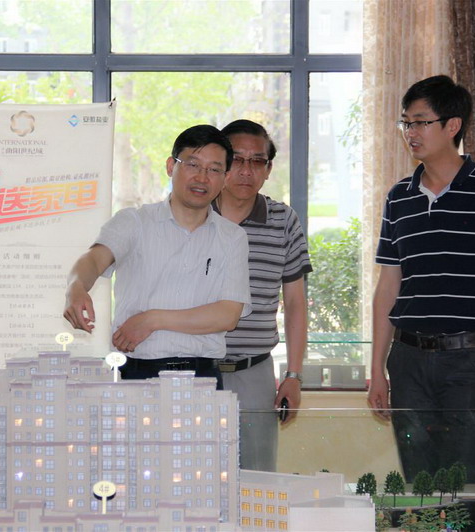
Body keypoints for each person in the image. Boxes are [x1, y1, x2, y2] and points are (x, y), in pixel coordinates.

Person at [367, 75, 475, 483]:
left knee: (462, 486)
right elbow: (388, 287)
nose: (410, 132)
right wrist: (377, 369)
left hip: (471, 362)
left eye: (421, 122)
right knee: (418, 486)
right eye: (406, 123)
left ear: (452, 125)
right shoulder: (399, 197)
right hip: (408, 361)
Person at [63, 125, 252, 388]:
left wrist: (152, 320)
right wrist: (76, 286)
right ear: (171, 166)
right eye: (193, 165)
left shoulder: (232, 237)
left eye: (214, 170)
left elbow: (227, 315)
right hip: (136, 373)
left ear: (225, 178)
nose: (202, 177)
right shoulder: (134, 222)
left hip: (203, 377)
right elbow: (94, 260)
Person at [213, 119, 312, 471]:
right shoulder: (194, 215)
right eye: (237, 160)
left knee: (258, 478)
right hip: (196, 369)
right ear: (221, 163)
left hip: (255, 371)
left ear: (268, 170)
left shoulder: (283, 220)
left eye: (258, 161)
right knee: (194, 478)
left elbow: (296, 304)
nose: (247, 170)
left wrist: (294, 375)